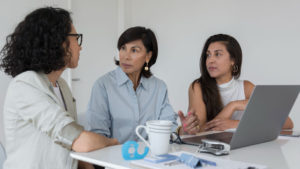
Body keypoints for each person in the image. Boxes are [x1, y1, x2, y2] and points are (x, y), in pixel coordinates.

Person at [0, 7, 118, 169]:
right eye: (76, 38)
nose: (80, 47)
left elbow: (74, 147)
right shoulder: (25, 85)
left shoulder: (62, 86)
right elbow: (80, 142)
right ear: (58, 42)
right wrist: (110, 141)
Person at [86, 26, 199, 146]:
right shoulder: (103, 85)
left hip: (150, 159)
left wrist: (184, 130)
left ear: (148, 56)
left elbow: (167, 130)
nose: (126, 56)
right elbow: (98, 135)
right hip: (114, 160)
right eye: (123, 48)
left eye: (134, 50)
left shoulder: (159, 87)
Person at [189, 34, 293, 132]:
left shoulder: (246, 87)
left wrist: (235, 123)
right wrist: (232, 106)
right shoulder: (198, 87)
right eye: (208, 55)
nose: (210, 60)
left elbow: (287, 123)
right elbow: (202, 131)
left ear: (233, 60)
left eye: (218, 54)